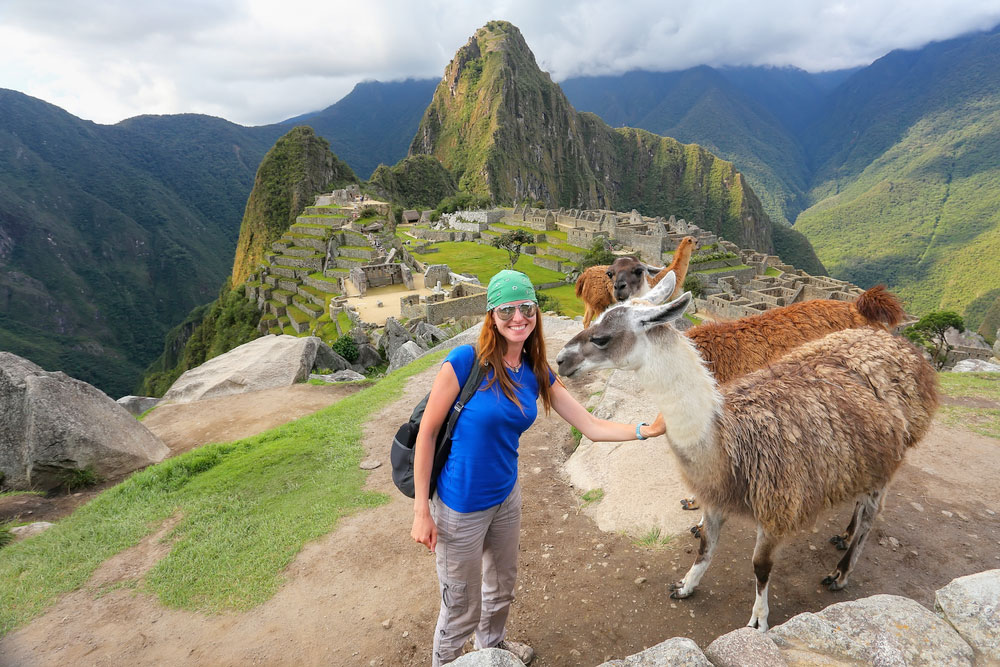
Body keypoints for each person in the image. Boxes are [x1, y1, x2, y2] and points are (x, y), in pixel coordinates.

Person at [410, 269, 665, 666]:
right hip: (458, 508)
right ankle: (446, 662)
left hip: (505, 498)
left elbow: (591, 426)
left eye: (525, 307)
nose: (518, 318)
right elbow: (426, 436)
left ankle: (491, 650)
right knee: (460, 604)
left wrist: (645, 430)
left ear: (536, 311)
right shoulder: (464, 363)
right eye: (507, 309)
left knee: (501, 588)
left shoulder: (535, 370)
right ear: (492, 316)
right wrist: (421, 512)